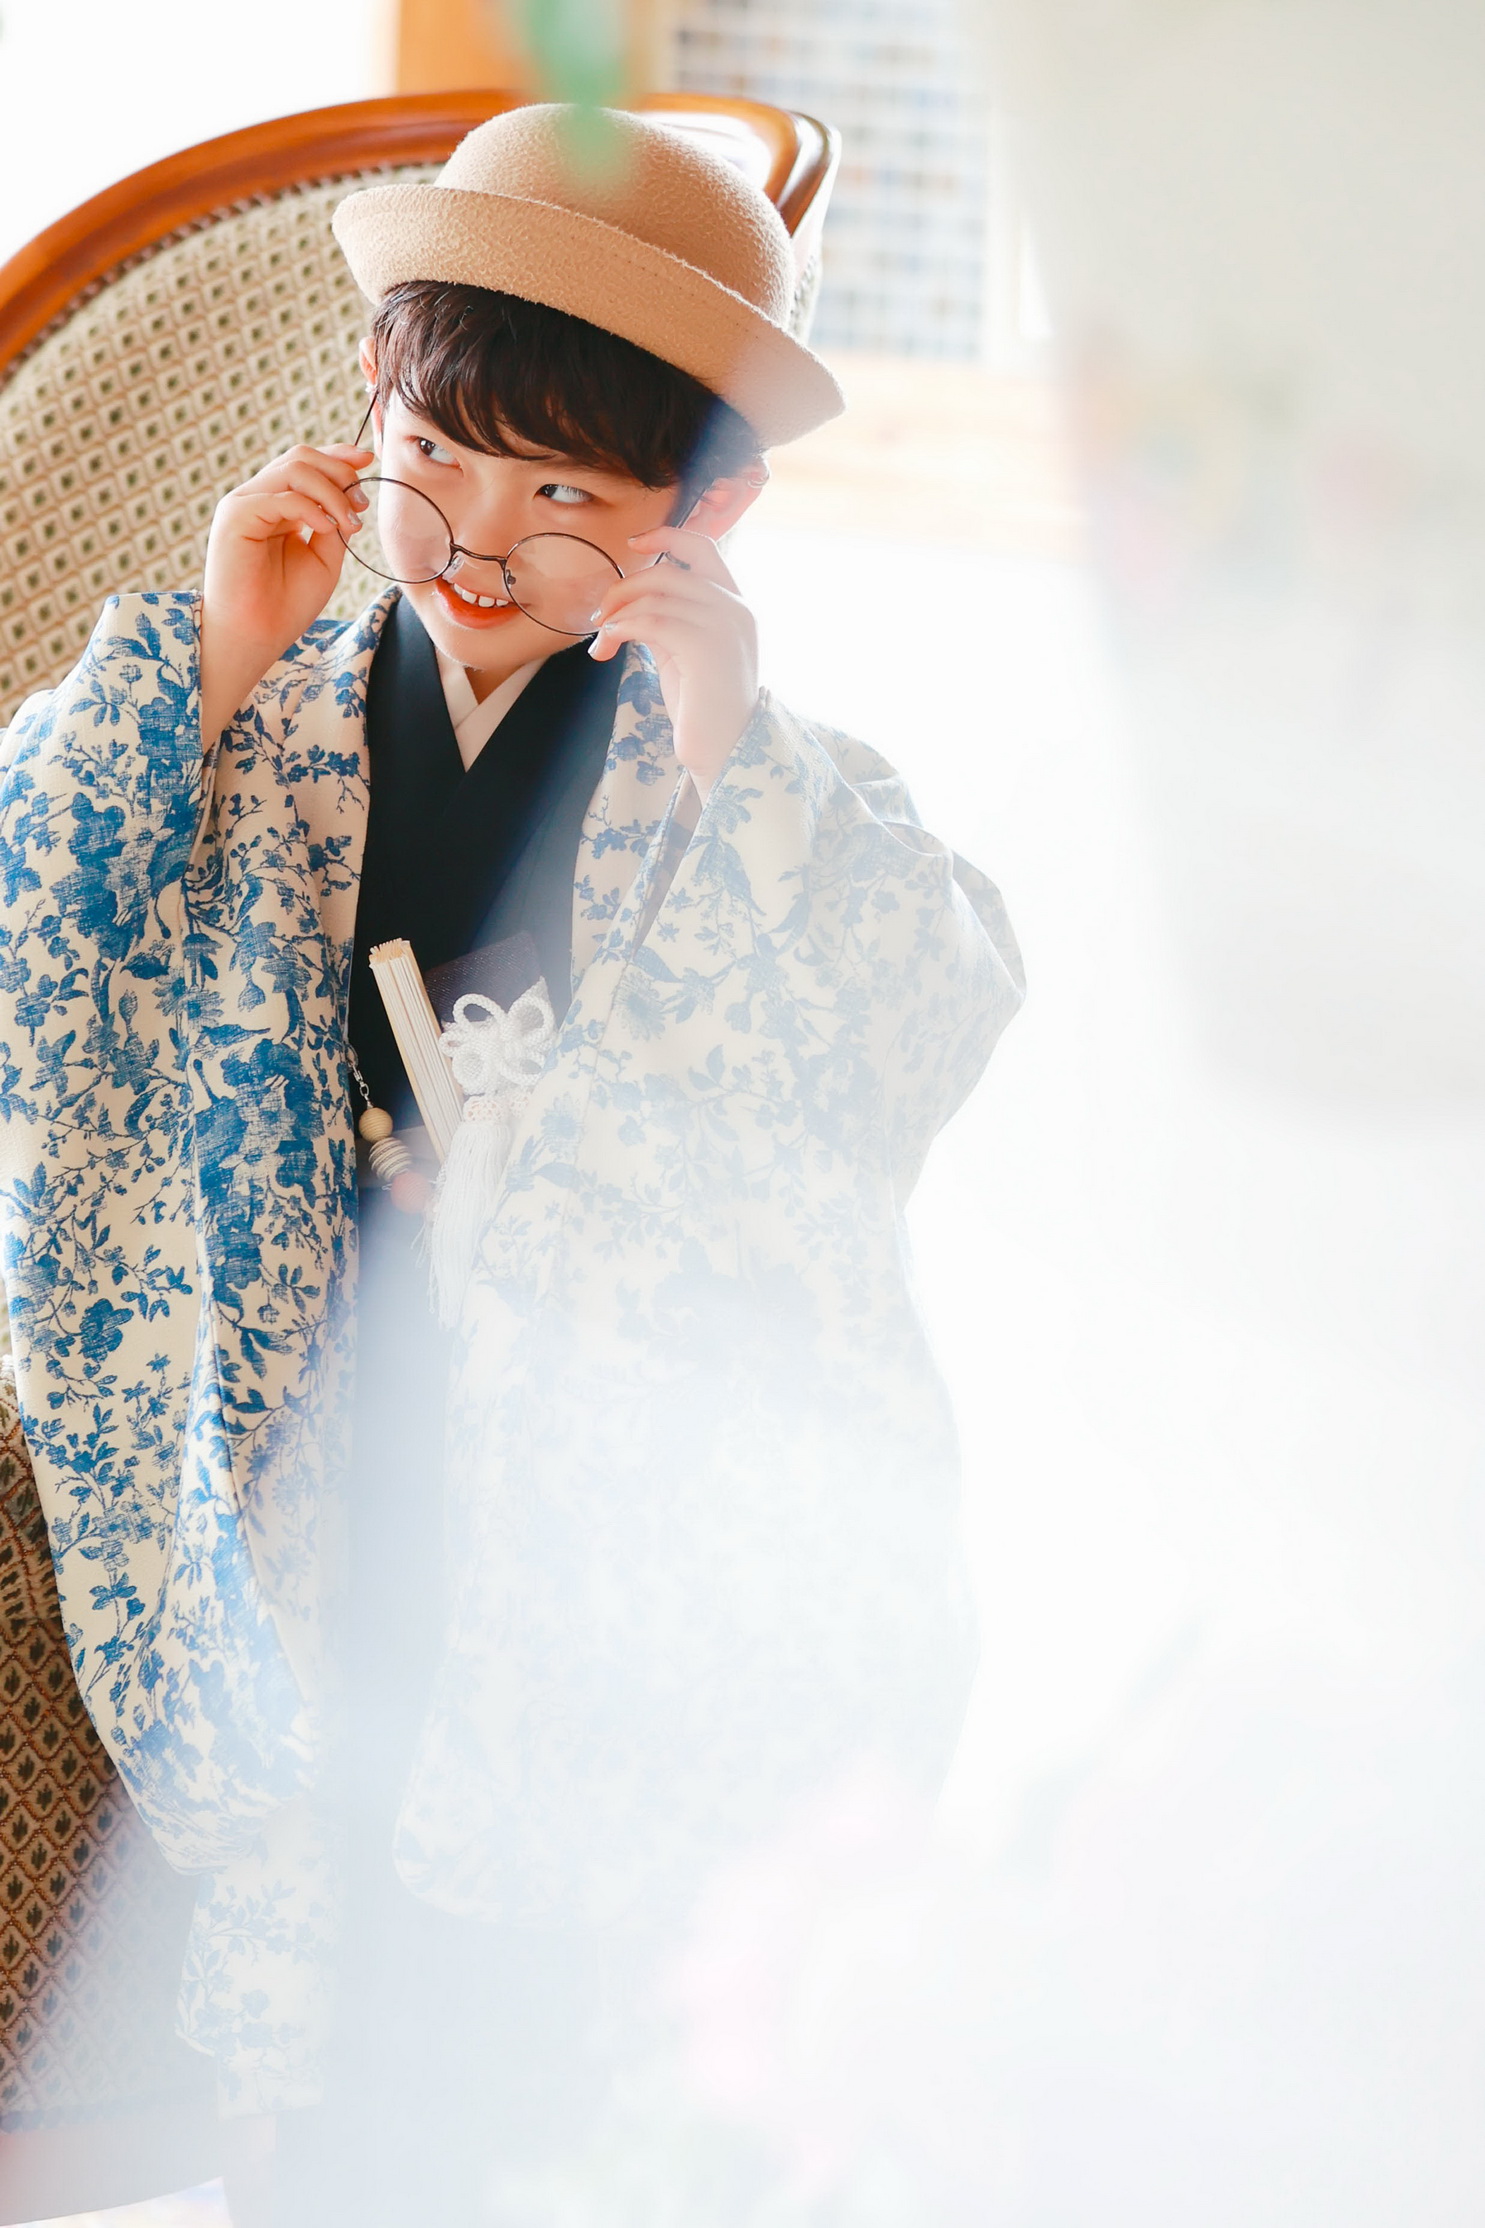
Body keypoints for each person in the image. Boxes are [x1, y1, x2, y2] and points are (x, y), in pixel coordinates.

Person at [0, 104, 1023, 2221]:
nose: (475, 545)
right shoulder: (252, 684)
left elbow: (897, 1034)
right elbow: (41, 934)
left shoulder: (737, 763)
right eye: (437, 464)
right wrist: (198, 661)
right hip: (292, 1400)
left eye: (566, 497)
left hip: (563, 1435)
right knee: (324, 1898)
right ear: (369, 403)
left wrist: (738, 761)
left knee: (541, 1962)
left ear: (706, 505)